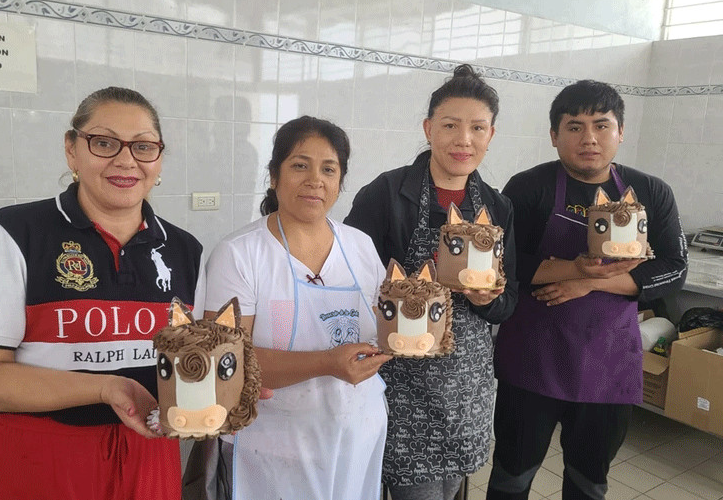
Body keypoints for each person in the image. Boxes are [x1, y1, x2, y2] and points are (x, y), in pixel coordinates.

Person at [0, 87, 205, 500]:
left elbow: (190, 366)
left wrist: (231, 386)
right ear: (72, 150)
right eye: (104, 143)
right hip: (35, 462)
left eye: (143, 147)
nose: (126, 160)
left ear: (159, 159)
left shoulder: (185, 251)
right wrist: (105, 388)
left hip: (148, 462)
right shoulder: (13, 233)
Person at [487, 80, 688, 500]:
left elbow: (674, 268)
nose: (589, 138)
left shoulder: (650, 192)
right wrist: (573, 269)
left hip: (607, 363)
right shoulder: (528, 187)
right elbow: (501, 263)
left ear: (621, 131)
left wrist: (586, 282)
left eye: (601, 125)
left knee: (588, 482)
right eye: (575, 127)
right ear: (554, 135)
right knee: (512, 478)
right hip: (532, 360)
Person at [193, 116, 392, 500]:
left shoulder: (360, 246)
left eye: (328, 169)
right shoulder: (240, 254)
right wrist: (327, 363)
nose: (315, 180)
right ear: (274, 176)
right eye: (300, 165)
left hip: (357, 434)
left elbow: (384, 327)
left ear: (340, 181)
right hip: (271, 445)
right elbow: (223, 366)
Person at [345, 64, 518, 500]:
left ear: (491, 135)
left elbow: (508, 303)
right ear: (428, 129)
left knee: (452, 488)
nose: (464, 140)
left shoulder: (497, 207)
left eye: (477, 128)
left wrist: (486, 298)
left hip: (466, 387)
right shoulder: (385, 194)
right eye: (450, 125)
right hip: (401, 382)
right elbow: (347, 283)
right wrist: (410, 288)